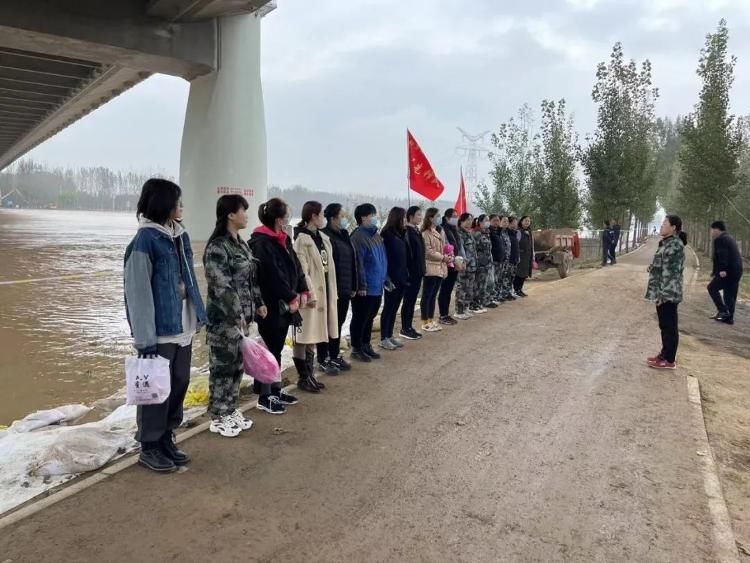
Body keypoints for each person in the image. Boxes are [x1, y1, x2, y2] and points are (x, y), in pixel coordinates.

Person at [124, 178, 207, 472]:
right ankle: (149, 445)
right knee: (156, 390)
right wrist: (144, 339)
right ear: (163, 204)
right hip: (160, 330)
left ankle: (167, 438)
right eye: (177, 202)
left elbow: (190, 280)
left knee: (179, 383)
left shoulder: (178, 236)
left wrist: (199, 314)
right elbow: (138, 293)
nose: (181, 207)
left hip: (182, 326)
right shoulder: (144, 241)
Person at [203, 195, 267, 437]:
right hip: (224, 321)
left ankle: (230, 410)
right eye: (243, 210)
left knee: (237, 367)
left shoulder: (241, 244)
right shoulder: (218, 246)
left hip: (243, 320)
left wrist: (258, 304)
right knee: (221, 368)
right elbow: (221, 286)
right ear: (230, 214)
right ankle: (218, 416)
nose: (246, 215)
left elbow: (251, 279)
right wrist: (237, 312)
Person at [250, 197, 307, 413]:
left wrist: (303, 289)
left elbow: (295, 266)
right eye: (285, 214)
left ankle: (275, 389)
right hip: (271, 305)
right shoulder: (261, 243)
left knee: (277, 348)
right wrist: (291, 296)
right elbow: (272, 276)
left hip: (286, 303)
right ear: (277, 218)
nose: (288, 217)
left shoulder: (283, 239)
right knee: (268, 350)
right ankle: (265, 396)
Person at [293, 201, 339, 390]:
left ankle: (309, 374)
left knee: (314, 335)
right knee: (304, 336)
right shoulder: (301, 240)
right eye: (321, 215)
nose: (323, 218)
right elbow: (302, 269)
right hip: (309, 296)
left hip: (325, 292)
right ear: (313, 216)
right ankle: (303, 376)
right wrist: (309, 292)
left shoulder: (322, 238)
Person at [646, 214, 687, 370]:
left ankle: (669, 360)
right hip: (662, 291)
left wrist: (663, 294)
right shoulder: (666, 243)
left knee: (670, 326)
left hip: (668, 292)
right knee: (664, 325)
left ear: (673, 227)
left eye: (665, 223)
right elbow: (660, 265)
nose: (662, 226)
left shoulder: (675, 245)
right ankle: (664, 354)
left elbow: (671, 272)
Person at [319, 203, 357, 369]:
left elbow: (352, 262)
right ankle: (324, 357)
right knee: (328, 323)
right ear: (332, 218)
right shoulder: (324, 236)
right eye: (341, 216)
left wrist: (353, 285)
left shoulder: (344, 234)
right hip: (332, 288)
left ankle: (334, 355)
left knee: (339, 322)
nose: (344, 219)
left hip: (345, 287)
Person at [349, 203, 387, 362]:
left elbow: (382, 259)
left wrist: (386, 278)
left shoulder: (376, 235)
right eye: (372, 215)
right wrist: (361, 285)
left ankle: (366, 344)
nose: (375, 218)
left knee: (370, 317)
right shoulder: (358, 237)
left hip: (377, 285)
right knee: (360, 317)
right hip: (365, 287)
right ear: (363, 217)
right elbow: (358, 264)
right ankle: (356, 347)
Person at [380, 207, 409, 350]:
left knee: (395, 307)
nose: (405, 220)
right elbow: (385, 257)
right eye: (403, 218)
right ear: (396, 218)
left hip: (402, 276)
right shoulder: (387, 234)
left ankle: (390, 335)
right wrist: (387, 277)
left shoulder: (401, 233)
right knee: (388, 307)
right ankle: (384, 337)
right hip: (391, 278)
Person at [708, 220, 743, 325]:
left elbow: (723, 255)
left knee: (712, 288)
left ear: (717, 229)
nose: (711, 232)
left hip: (728, 272)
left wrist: (722, 270)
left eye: (712, 230)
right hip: (736, 271)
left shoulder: (721, 239)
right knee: (730, 294)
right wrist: (715, 271)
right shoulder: (729, 238)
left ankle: (723, 311)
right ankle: (729, 318)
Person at [421, 208, 449, 332]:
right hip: (430, 267)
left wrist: (446, 256)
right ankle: (424, 321)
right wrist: (443, 257)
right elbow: (428, 252)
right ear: (431, 218)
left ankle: (431, 319)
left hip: (438, 267)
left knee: (433, 296)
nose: (439, 218)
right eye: (437, 216)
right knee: (427, 295)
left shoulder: (437, 232)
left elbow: (441, 248)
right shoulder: (425, 233)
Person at [400, 205, 426, 340]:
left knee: (412, 300)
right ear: (410, 217)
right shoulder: (408, 233)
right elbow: (409, 255)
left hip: (418, 271)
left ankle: (409, 326)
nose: (420, 217)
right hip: (411, 273)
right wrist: (409, 272)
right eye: (418, 215)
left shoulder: (416, 231)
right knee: (408, 301)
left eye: (421, 215)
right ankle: (405, 327)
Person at [438, 209, 461, 325]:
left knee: (449, 289)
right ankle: (442, 315)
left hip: (454, 262)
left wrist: (459, 259)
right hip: (447, 263)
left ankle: (446, 314)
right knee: (445, 289)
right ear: (446, 218)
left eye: (457, 216)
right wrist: (451, 259)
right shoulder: (443, 229)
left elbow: (457, 245)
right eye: (453, 216)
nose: (456, 218)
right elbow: (444, 246)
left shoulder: (454, 229)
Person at [455, 213, 478, 320]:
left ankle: (466, 308)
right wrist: (463, 262)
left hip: (472, 266)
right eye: (467, 220)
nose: (470, 222)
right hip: (464, 266)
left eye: (471, 220)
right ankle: (459, 311)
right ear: (461, 221)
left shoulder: (469, 233)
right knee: (462, 288)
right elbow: (460, 250)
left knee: (469, 288)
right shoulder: (459, 233)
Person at [473, 214, 495, 310]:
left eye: (488, 220)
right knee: (478, 285)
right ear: (480, 222)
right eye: (486, 220)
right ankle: (476, 304)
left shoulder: (486, 233)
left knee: (485, 284)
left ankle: (482, 302)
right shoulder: (477, 234)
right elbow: (474, 249)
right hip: (480, 263)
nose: (488, 222)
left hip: (487, 263)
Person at [489, 215, 508, 303]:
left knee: (499, 279)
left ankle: (497, 296)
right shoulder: (489, 232)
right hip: (494, 260)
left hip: (501, 259)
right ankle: (492, 298)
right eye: (494, 220)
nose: (496, 222)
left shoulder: (498, 232)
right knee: (493, 280)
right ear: (489, 221)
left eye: (497, 221)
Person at [514, 215, 534, 297]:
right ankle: (516, 290)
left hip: (527, 256)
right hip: (520, 256)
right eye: (525, 220)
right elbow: (516, 244)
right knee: (518, 274)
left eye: (529, 221)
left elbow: (531, 245)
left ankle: (520, 289)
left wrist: (533, 255)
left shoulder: (529, 232)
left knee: (524, 274)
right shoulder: (518, 231)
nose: (527, 222)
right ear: (521, 221)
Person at [507, 216, 520, 300]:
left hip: (515, 258)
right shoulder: (507, 233)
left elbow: (516, 247)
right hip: (509, 259)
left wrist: (518, 256)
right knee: (507, 278)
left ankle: (511, 292)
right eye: (514, 222)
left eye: (516, 222)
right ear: (510, 223)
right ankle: (507, 293)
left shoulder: (514, 233)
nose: (516, 224)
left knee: (512, 277)